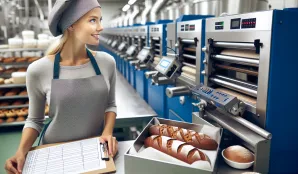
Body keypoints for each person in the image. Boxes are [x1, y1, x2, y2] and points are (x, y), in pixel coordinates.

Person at [4, 0, 118, 173]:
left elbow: (110, 104)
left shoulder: (106, 63)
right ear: (71, 25)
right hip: (54, 153)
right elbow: (35, 120)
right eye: (93, 20)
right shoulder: (39, 70)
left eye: (100, 20)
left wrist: (107, 132)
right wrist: (21, 151)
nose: (100, 27)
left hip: (94, 152)